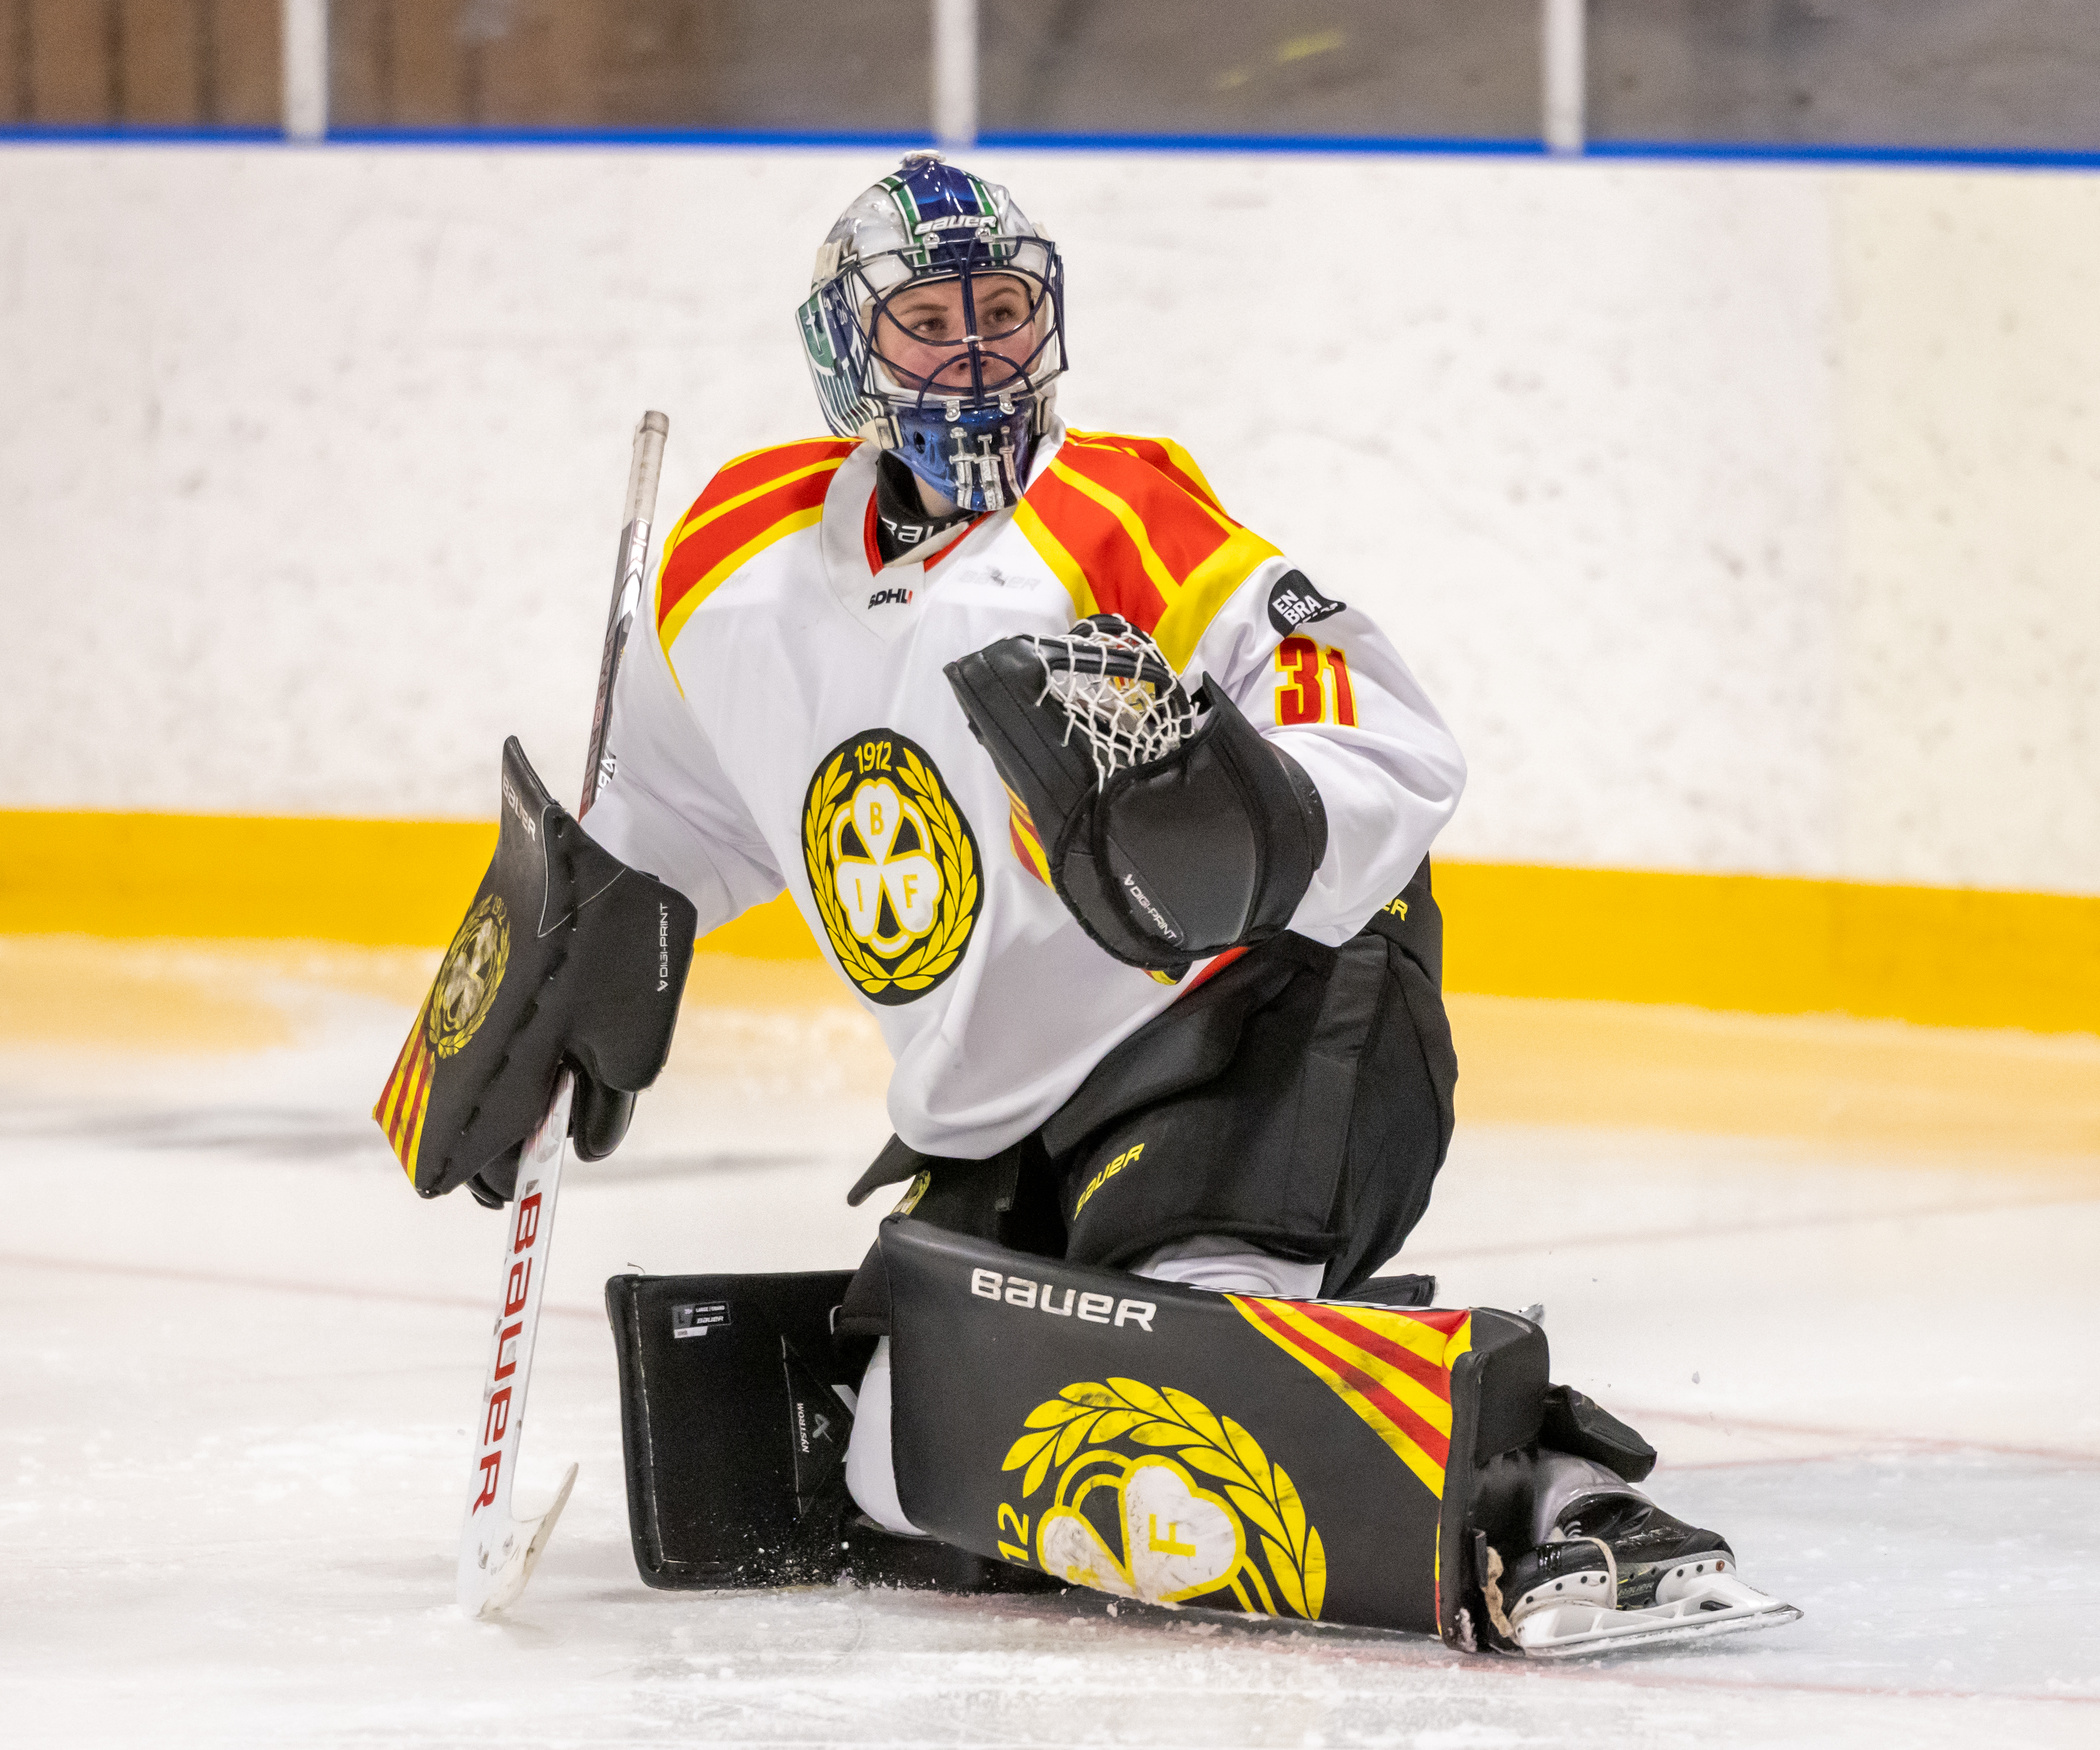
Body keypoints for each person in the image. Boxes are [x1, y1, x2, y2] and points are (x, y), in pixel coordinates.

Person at [411, 152, 1792, 1655]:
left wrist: (1249, 835)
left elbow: (1381, 731)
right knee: (892, 1464)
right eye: (927, 319)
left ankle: (1557, 1492)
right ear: (843, 352)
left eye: (1004, 310)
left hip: (1263, 1014)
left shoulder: (1122, 515)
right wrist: (570, 955)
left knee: (1178, 1435)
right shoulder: (736, 556)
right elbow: (679, 806)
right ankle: (1323, 1375)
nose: (977, 349)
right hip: (1011, 1103)